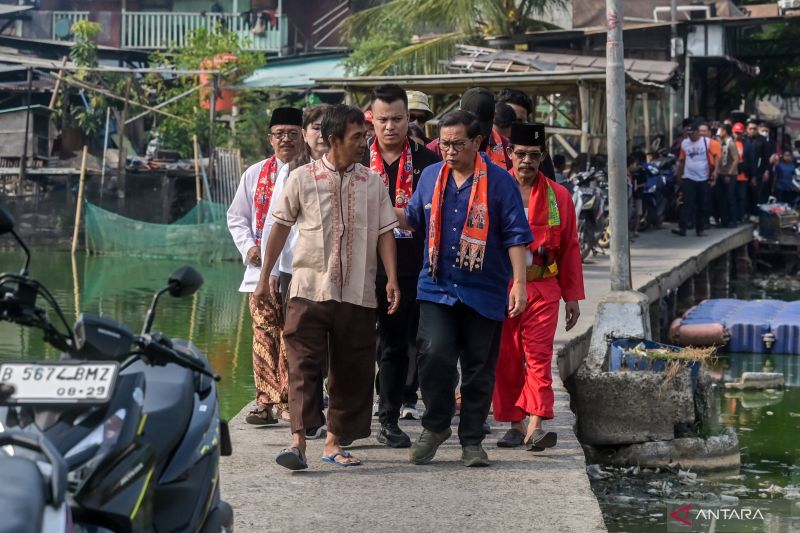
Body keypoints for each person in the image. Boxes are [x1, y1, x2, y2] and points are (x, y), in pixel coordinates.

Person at [255, 104, 401, 470]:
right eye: (357, 138)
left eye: (365, 137)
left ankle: (334, 442)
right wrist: (263, 278)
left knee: (352, 368)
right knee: (303, 364)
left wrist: (392, 278)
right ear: (333, 139)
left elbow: (385, 233)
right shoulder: (301, 179)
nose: (364, 144)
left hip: (357, 291)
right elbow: (279, 228)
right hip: (308, 288)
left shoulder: (373, 182)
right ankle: (298, 442)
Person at [397, 110, 532, 467]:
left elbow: (516, 236)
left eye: (458, 143)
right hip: (437, 286)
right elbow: (411, 219)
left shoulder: (501, 182)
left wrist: (519, 283)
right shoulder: (429, 177)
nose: (450, 151)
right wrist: (373, 204)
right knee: (434, 356)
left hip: (484, 288)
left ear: (476, 142)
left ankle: (472, 439)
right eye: (444, 143)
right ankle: (436, 426)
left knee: (478, 368)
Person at [493, 122, 584, 451]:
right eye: (520, 154)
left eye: (533, 155)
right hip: (502, 288)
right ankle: (513, 424)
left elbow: (571, 246)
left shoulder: (558, 196)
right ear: (510, 155)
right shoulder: (496, 190)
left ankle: (536, 423)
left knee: (538, 355)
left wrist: (572, 296)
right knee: (506, 357)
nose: (526, 161)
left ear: (542, 156)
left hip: (543, 287)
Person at [364, 84, 440, 448]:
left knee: (401, 346)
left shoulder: (429, 164)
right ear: (372, 120)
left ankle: (390, 419)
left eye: (397, 119)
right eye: (383, 120)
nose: (390, 126)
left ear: (409, 119)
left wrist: (399, 217)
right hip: (361, 270)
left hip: (413, 269)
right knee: (358, 347)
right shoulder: (358, 160)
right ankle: (349, 418)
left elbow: (438, 219)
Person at [227, 106, 303, 425]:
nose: (285, 139)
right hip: (259, 271)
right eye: (279, 133)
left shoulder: (311, 173)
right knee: (263, 334)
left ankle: (288, 400)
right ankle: (265, 401)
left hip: (299, 271)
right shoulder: (255, 173)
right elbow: (237, 217)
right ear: (269, 138)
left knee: (294, 336)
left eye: (292, 133)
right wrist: (250, 248)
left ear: (303, 137)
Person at [264, 104, 331, 440]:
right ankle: (307, 417)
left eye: (325, 128)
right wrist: (271, 272)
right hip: (296, 271)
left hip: (336, 273)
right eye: (315, 128)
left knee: (331, 347)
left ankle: (328, 409)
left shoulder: (354, 170)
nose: (320, 135)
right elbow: (276, 226)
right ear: (306, 134)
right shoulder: (293, 173)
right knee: (302, 346)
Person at [427, 87, 512, 169]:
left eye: (482, 130)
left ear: (494, 116)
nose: (478, 136)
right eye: (472, 130)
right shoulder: (434, 150)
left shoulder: (508, 149)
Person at [672, 120, 719, 237]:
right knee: (687, 202)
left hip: (703, 178)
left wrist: (716, 172)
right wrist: (679, 175)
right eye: (688, 134)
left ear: (698, 133)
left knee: (702, 204)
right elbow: (682, 160)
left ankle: (700, 229)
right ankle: (682, 228)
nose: (690, 137)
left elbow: (717, 156)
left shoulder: (708, 142)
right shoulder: (685, 143)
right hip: (689, 177)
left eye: (692, 134)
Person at [743, 120, 771, 213]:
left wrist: (766, 171)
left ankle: (754, 213)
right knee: (744, 194)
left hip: (758, 171)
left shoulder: (762, 141)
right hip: (744, 171)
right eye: (750, 129)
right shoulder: (743, 140)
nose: (752, 131)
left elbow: (766, 157)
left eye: (754, 129)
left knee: (756, 193)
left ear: (757, 129)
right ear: (747, 129)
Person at [715, 124, 740, 228]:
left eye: (720, 131)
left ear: (724, 131)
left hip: (730, 174)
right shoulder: (722, 143)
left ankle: (733, 220)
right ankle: (723, 220)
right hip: (721, 172)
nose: (719, 133)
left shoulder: (731, 144)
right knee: (721, 198)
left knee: (730, 197)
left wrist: (729, 173)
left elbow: (736, 159)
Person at [733, 122, 748, 224]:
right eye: (736, 132)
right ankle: (732, 217)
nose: (738, 135)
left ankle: (740, 216)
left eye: (740, 133)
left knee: (741, 198)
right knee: (731, 197)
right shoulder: (729, 143)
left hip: (742, 176)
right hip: (732, 174)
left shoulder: (746, 144)